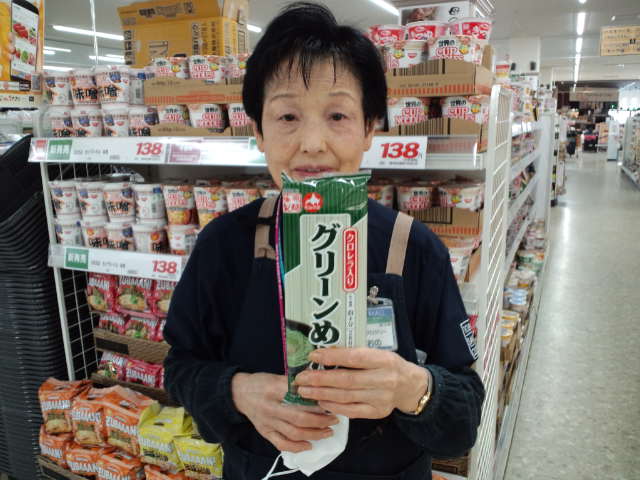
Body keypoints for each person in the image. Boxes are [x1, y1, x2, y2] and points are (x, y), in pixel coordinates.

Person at [164, 3, 484, 479]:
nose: (312, 142)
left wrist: (414, 389)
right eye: (287, 116)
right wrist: (236, 391)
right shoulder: (224, 245)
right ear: (258, 131)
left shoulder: (415, 248)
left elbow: (465, 415)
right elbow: (180, 370)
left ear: (370, 128)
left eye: (337, 115)